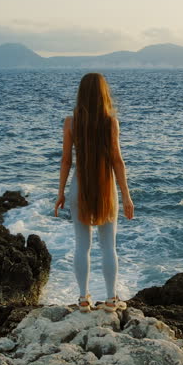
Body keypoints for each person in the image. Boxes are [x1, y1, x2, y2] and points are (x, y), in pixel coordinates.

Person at [54, 73, 134, 313]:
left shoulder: (71, 122)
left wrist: (60, 193)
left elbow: (66, 161)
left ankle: (82, 299)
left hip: (79, 185)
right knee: (109, 245)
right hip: (106, 186)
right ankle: (111, 299)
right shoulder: (111, 122)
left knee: (82, 245)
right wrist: (127, 196)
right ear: (103, 94)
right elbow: (117, 162)